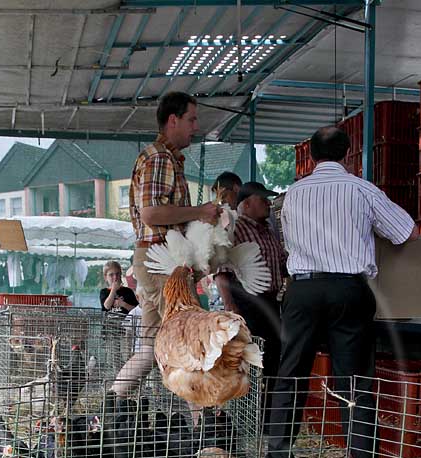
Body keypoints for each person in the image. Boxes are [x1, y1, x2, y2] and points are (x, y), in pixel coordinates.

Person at [262, 125, 417, 458]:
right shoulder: (362, 190)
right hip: (349, 289)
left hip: (302, 289)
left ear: (312, 156)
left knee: (291, 376)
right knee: (354, 383)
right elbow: (406, 233)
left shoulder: (292, 196)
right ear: (348, 153)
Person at [110, 91, 220, 398]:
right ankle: (204, 426)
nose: (195, 127)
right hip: (160, 258)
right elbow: (151, 213)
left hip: (158, 257)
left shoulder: (164, 157)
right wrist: (200, 212)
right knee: (186, 337)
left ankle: (111, 406)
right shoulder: (160, 157)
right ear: (173, 120)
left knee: (151, 344)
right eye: (191, 119)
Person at [215, 181, 288, 382]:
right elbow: (222, 272)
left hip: (271, 303)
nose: (268, 203)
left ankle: (266, 409)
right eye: (262, 199)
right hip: (246, 303)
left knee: (271, 356)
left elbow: (283, 264)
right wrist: (231, 306)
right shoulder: (235, 228)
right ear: (246, 204)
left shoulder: (268, 231)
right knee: (249, 359)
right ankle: (250, 409)